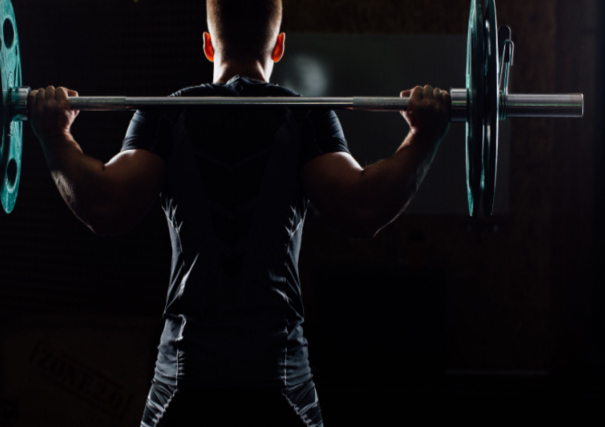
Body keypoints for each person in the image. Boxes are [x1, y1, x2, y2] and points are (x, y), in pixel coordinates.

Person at [28, 1, 450, 425]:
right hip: (278, 380)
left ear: (208, 46)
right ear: (279, 46)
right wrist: (423, 136)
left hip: (185, 379)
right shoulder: (304, 117)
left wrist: (55, 134)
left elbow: (105, 206)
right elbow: (363, 208)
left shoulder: (167, 112)